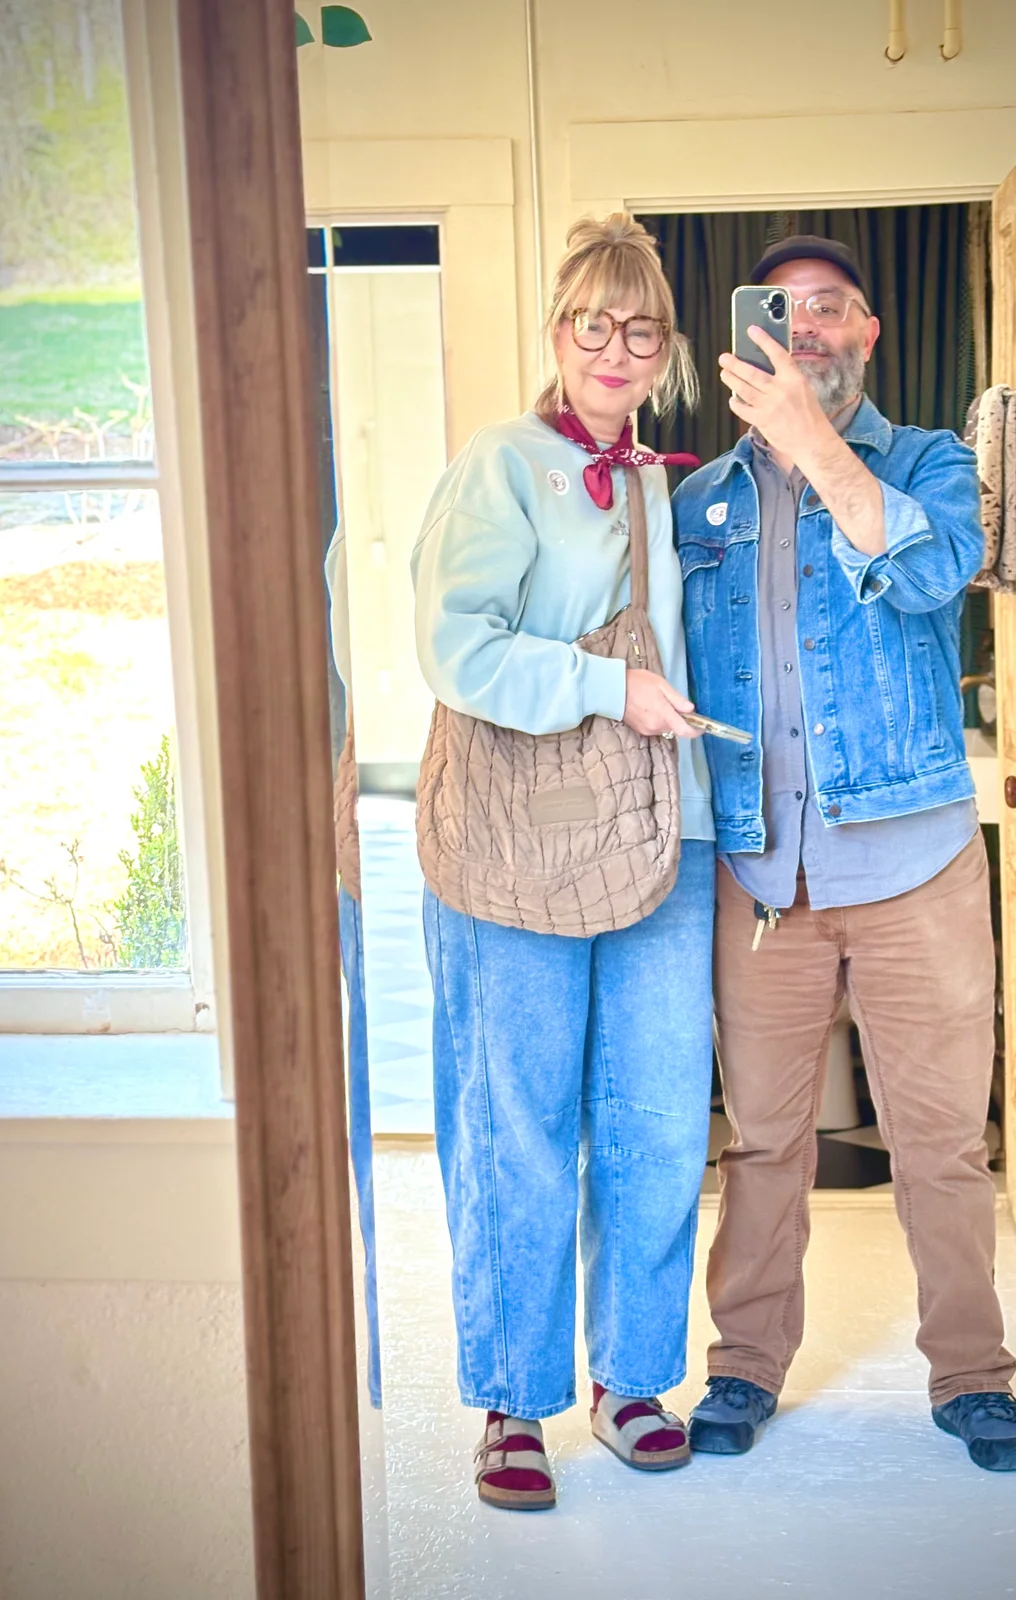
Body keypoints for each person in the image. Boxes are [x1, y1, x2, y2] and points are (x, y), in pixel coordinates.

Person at [673, 235, 1016, 1473]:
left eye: (831, 310)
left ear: (871, 333)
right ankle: (743, 1366)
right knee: (766, 1142)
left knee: (940, 1138)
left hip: (913, 868)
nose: (811, 329)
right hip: (759, 874)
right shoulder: (700, 504)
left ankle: (972, 1379)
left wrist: (815, 445)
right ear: (748, 334)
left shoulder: (932, 463)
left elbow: (942, 570)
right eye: (787, 312)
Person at [411, 214, 716, 1511]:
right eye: (590, 322)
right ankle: (511, 1399)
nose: (613, 348)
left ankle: (632, 1377)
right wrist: (605, 686)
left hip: (668, 836)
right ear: (556, 332)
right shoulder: (501, 465)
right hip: (517, 843)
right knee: (516, 1122)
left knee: (652, 1124)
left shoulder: (661, 483)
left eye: (638, 328)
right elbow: (453, 648)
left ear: (664, 350)